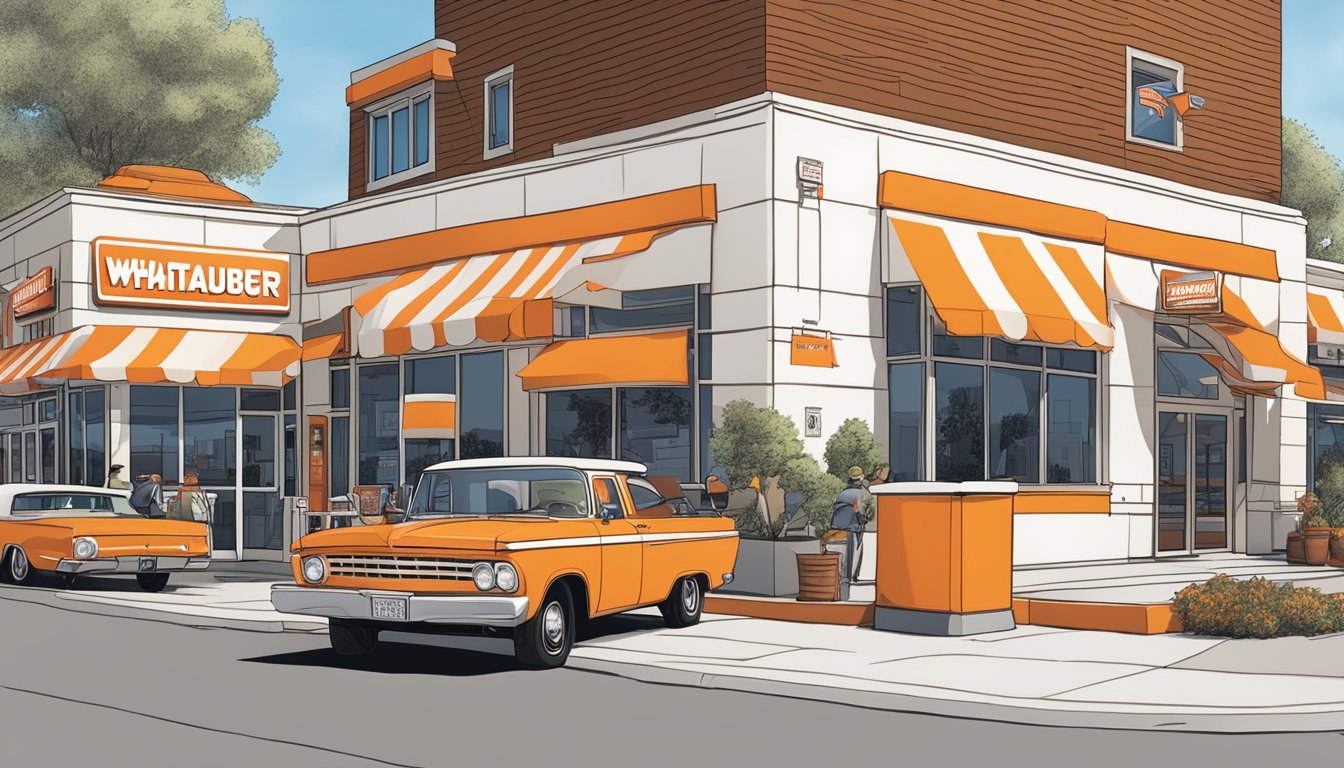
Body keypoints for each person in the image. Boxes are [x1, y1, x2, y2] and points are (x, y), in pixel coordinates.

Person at [826, 466, 870, 601]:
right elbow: (864, 514)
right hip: (852, 530)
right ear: (861, 477)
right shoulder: (862, 494)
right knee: (849, 563)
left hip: (835, 529)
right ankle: (847, 591)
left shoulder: (841, 493)